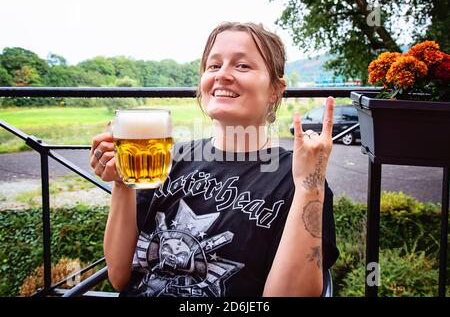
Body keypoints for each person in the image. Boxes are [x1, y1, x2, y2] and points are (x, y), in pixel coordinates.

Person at [89, 22, 339, 297]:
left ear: (275, 90)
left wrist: (310, 186)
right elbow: (119, 275)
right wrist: (122, 183)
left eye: (242, 66)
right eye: (214, 65)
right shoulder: (164, 160)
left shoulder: (295, 177)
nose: (223, 75)